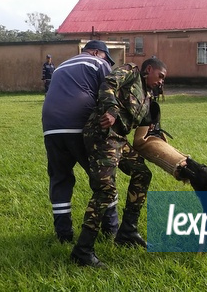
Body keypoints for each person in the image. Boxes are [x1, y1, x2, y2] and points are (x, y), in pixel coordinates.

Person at [70, 58, 167, 267]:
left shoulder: (147, 97)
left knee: (143, 173)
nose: (161, 82)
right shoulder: (131, 72)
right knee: (105, 190)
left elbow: (144, 126)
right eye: (160, 76)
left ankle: (128, 232)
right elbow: (108, 83)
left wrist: (157, 133)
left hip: (119, 140)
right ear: (149, 69)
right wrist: (111, 109)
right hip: (103, 134)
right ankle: (82, 250)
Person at [42, 40, 118, 243]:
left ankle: (63, 234)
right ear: (95, 52)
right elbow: (109, 92)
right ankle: (111, 229)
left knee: (60, 178)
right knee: (103, 176)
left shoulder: (59, 68)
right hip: (80, 124)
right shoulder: (97, 63)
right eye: (105, 57)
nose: (107, 63)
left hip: (50, 127)